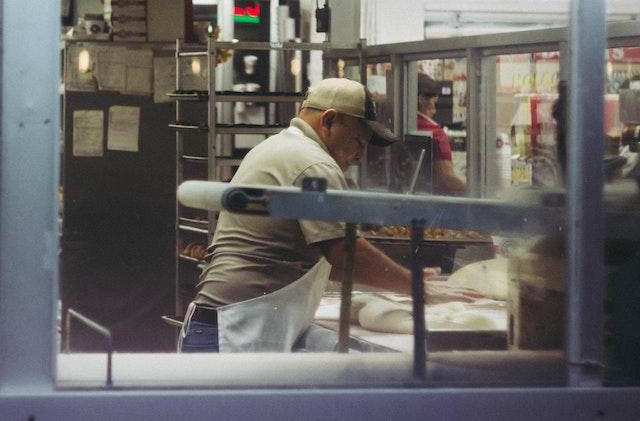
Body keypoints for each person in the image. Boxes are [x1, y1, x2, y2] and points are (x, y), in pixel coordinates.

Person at [180, 78, 480, 353]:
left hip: (225, 322)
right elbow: (343, 252)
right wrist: (414, 287)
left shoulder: (281, 147)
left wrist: (403, 277)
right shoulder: (314, 164)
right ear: (329, 120)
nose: (360, 155)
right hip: (236, 330)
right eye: (358, 142)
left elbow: (325, 259)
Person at [416, 73, 467, 195]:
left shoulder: (393, 125)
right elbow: (446, 179)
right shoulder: (435, 134)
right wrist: (474, 193)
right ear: (421, 99)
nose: (435, 108)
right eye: (435, 101)